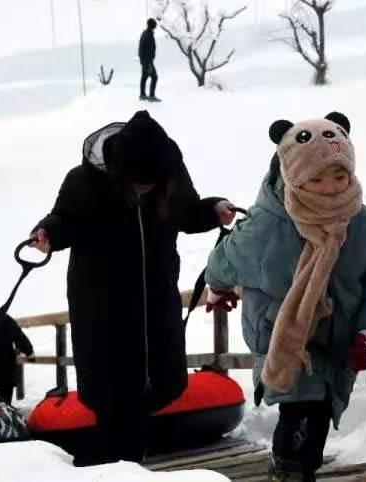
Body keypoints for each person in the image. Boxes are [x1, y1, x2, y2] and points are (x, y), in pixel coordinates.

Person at [205, 112, 366, 481]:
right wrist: (217, 289)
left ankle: (293, 468)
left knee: (312, 426)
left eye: (339, 175)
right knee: (304, 414)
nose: (331, 188)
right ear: (293, 175)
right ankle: (288, 472)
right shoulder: (266, 226)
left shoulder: (362, 223)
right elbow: (224, 261)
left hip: (337, 340)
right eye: (316, 178)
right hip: (283, 337)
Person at [30, 110, 235, 466]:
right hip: (104, 309)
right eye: (138, 182)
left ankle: (131, 462)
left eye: (151, 182)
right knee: (114, 401)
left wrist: (212, 209)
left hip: (155, 305)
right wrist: (48, 232)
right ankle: (120, 465)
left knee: (154, 391)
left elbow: (185, 213)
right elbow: (64, 219)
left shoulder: (168, 172)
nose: (145, 188)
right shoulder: (83, 182)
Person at [138, 18, 160, 102]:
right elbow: (147, 50)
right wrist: (148, 63)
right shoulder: (148, 35)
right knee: (154, 77)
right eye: (155, 25)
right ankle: (151, 96)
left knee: (144, 77)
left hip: (144, 61)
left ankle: (142, 95)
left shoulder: (145, 33)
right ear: (153, 26)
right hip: (148, 62)